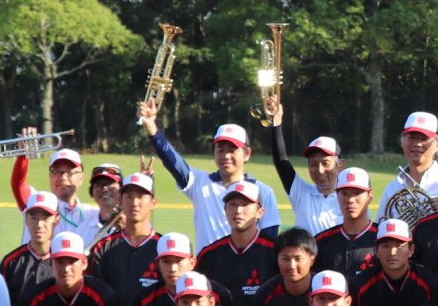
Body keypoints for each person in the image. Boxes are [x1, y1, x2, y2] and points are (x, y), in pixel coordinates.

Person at [138, 108, 283, 251]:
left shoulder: (263, 191)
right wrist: (152, 129)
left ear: (247, 154)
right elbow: (172, 160)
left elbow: (269, 242)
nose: (226, 156)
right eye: (220, 149)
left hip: (248, 270)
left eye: (232, 149)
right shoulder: (199, 183)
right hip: (206, 270)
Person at [87, 171, 164, 306]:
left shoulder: (164, 247)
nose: (134, 203)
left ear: (153, 202)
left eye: (141, 196)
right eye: (128, 196)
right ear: (120, 201)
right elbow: (96, 297)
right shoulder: (103, 247)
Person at [194, 180, 282, 306]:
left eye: (245, 204)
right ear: (225, 210)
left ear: (259, 212)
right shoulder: (209, 255)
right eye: (232, 204)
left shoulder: (276, 252)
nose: (238, 210)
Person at [259, 96, 342, 236]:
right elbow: (281, 161)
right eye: (313, 164)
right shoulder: (302, 194)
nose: (320, 170)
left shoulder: (349, 200)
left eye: (325, 163)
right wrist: (276, 123)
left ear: (340, 165)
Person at [7, 140, 102, 241]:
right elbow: (18, 185)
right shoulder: (37, 202)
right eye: (57, 172)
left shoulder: (92, 214)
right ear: (50, 176)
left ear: (81, 177)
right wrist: (23, 154)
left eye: (70, 172)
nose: (63, 177)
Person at [378, 111, 438, 222]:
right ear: (402, 141)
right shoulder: (392, 188)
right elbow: (381, 226)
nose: (417, 144)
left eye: (424, 139)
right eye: (412, 137)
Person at [314, 167, 381, 280]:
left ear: (370, 195)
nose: (350, 200)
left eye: (357, 193)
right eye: (344, 193)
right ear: (337, 195)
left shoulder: (382, 238)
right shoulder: (321, 242)